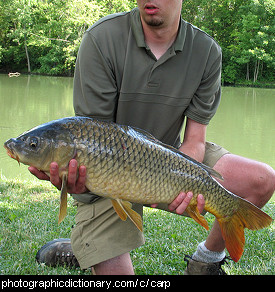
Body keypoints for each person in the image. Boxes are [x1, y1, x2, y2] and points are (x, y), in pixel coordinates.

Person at [30, 0, 275, 275]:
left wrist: (179, 179)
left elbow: (195, 141)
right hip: (109, 173)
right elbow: (93, 138)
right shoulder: (101, 39)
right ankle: (87, 249)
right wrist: (73, 178)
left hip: (172, 155)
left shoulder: (207, 51)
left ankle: (206, 260)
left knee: (262, 179)